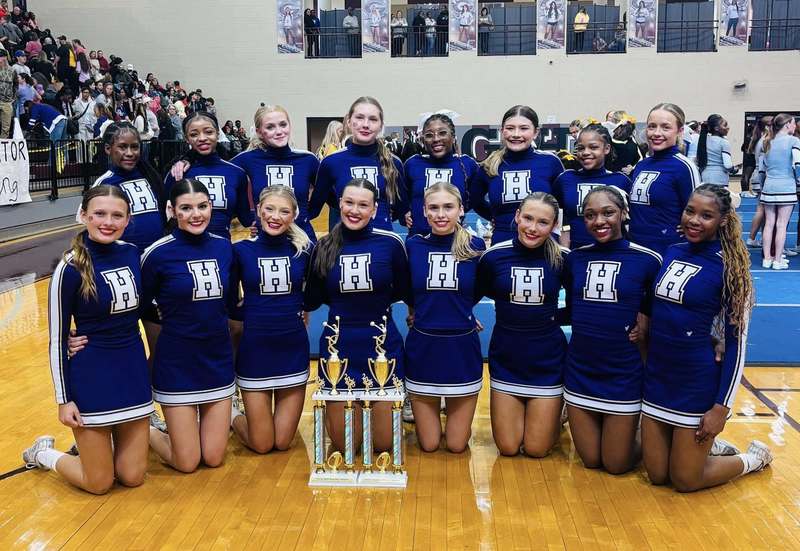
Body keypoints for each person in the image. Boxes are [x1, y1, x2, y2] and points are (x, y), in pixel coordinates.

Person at [24, 185, 154, 496]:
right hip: (92, 374)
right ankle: (43, 453)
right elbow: (57, 340)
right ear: (83, 215)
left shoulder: (134, 254)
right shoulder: (69, 267)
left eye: (116, 215)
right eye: (99, 214)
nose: (107, 221)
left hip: (132, 371)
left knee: (133, 476)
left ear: (127, 220)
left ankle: (96, 448)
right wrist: (63, 399)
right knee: (99, 483)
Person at [642, 185, 772, 491]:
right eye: (690, 211)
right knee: (657, 476)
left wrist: (721, 408)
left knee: (685, 480)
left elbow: (736, 345)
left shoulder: (731, 268)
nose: (695, 220)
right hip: (658, 378)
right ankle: (708, 449)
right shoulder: (673, 250)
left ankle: (752, 459)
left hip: (694, 382)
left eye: (706, 215)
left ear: (723, 220)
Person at [562, 185, 662, 474]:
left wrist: (711, 337)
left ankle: (668, 444)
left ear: (623, 213)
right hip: (581, 368)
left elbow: (664, 309)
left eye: (608, 212)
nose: (599, 221)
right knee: (591, 460)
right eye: (590, 215)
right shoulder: (575, 258)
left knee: (616, 465)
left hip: (623, 371)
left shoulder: (647, 259)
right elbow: (572, 309)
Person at [305, 179, 409, 454]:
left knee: (383, 446)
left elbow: (404, 289)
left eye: (363, 205)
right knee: (346, 447)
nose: (355, 210)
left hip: (382, 348)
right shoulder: (324, 245)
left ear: (374, 210)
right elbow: (314, 298)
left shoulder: (391, 244)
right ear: (339, 204)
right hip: (339, 347)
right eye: (349, 202)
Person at [141, 179, 236, 473]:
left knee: (214, 457)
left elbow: (233, 303)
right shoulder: (156, 253)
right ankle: (137, 429)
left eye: (202, 206)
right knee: (187, 462)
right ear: (172, 210)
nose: (196, 215)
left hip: (216, 359)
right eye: (186, 208)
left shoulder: (224, 247)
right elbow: (138, 305)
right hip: (177, 363)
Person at [477, 192, 568, 457]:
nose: (532, 227)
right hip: (507, 355)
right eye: (527, 218)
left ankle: (557, 410)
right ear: (517, 216)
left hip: (547, 358)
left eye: (542, 222)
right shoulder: (493, 257)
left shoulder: (563, 259)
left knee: (537, 450)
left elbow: (580, 305)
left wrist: (549, 318)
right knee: (507, 447)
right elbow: (468, 295)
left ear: (553, 226)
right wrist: (466, 317)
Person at [230, 185, 312, 453]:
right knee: (263, 444)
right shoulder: (240, 250)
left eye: (284, 211)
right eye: (269, 209)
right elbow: (228, 300)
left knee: (282, 442)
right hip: (256, 349)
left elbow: (315, 292)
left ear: (295, 215)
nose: (275, 216)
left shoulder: (304, 250)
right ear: (259, 211)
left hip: (291, 347)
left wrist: (305, 308)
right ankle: (233, 416)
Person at [405, 183, 484, 453]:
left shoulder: (475, 245)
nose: (441, 214)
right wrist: (416, 311)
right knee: (427, 444)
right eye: (434, 208)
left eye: (448, 207)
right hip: (423, 346)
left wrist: (462, 311)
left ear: (461, 210)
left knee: (456, 445)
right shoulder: (413, 245)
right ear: (424, 211)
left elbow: (480, 287)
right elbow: (405, 288)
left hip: (461, 347)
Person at [309, 96, 406, 233]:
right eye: (359, 117)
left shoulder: (394, 163)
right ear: (349, 122)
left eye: (373, 119)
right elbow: (315, 208)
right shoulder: (331, 162)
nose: (365, 124)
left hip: (383, 241)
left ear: (381, 126)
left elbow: (402, 211)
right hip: (344, 241)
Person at [471, 105, 564, 245]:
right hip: (503, 241)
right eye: (510, 128)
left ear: (536, 132)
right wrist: (497, 217)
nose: (516, 134)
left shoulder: (550, 162)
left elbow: (562, 204)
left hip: (544, 243)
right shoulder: (489, 165)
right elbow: (475, 200)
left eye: (524, 128)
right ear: (502, 131)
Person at [225, 105, 320, 241]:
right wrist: (249, 218)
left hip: (303, 239)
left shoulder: (308, 159)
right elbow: (217, 171)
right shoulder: (248, 159)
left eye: (283, 125)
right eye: (270, 127)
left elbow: (328, 195)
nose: (279, 131)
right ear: (259, 132)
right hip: (265, 241)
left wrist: (304, 216)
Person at [164, 111, 250, 240]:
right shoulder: (178, 173)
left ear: (218, 133)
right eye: (194, 134)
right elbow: (165, 219)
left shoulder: (236, 172)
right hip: (185, 252)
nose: (202, 138)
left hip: (223, 251)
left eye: (208, 132)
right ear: (187, 138)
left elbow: (246, 218)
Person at [628, 103, 700, 254]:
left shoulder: (684, 167)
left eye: (665, 127)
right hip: (637, 249)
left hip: (668, 251)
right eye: (652, 126)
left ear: (679, 131)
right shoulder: (641, 165)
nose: (656, 133)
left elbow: (698, 212)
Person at [553, 124, 632, 249]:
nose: (586, 153)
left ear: (606, 149)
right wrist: (562, 246)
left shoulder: (621, 181)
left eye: (593, 147)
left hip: (611, 252)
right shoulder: (565, 179)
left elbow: (633, 219)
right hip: (575, 253)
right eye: (580, 148)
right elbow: (556, 217)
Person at [90, 122, 165, 253]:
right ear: (108, 149)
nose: (129, 153)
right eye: (122, 147)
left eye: (135, 147)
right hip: (125, 259)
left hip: (157, 258)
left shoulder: (150, 176)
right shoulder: (104, 184)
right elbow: (93, 229)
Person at [403, 113, 480, 237]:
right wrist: (403, 213)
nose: (436, 139)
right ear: (422, 139)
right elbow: (400, 197)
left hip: (455, 241)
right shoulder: (412, 164)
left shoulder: (468, 164)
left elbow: (478, 200)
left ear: (453, 136)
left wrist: (495, 217)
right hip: (418, 242)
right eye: (429, 135)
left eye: (442, 133)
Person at [759, 114, 799, 270]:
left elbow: (761, 170)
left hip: (769, 186)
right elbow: (798, 163)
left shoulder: (766, 142)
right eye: (794, 123)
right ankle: (777, 260)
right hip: (786, 186)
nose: (795, 126)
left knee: (769, 224)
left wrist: (762, 187)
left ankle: (766, 259)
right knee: (781, 225)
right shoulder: (794, 141)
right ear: (788, 124)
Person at [745, 115, 772, 247]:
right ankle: (753, 237)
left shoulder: (760, 138)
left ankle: (757, 238)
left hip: (758, 175)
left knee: (763, 210)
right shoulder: (766, 140)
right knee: (762, 210)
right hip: (762, 176)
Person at [696, 114, 735, 187]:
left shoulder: (703, 140)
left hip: (705, 176)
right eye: (725, 125)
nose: (728, 127)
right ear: (716, 128)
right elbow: (728, 165)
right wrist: (734, 169)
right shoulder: (723, 142)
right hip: (720, 178)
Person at [0, 50, 15, 138]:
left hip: (7, 102)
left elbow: (16, 84)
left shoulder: (12, 71)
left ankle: (1, 148)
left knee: (6, 128)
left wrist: (13, 98)